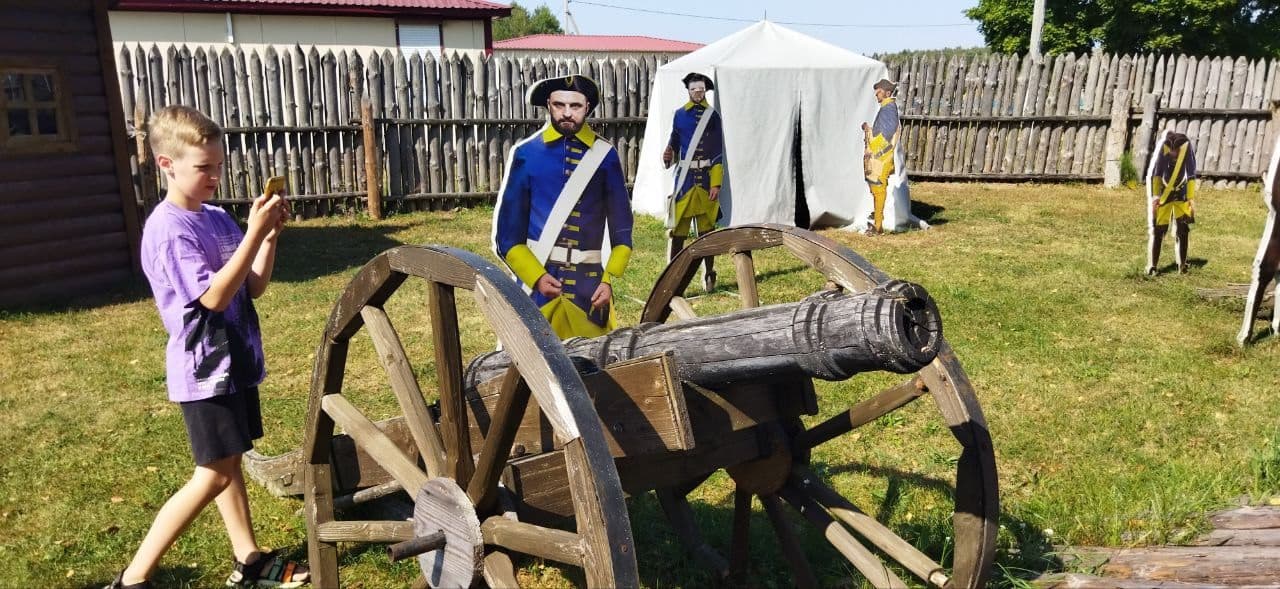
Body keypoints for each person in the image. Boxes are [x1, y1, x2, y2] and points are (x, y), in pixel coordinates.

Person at [108, 105, 308, 589]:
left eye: (218, 165)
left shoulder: (217, 219)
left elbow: (251, 285)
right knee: (213, 475)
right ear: (166, 165)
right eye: (203, 168)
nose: (215, 175)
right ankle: (133, 579)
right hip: (204, 371)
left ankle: (249, 558)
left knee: (228, 461)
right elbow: (214, 298)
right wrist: (254, 232)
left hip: (233, 363)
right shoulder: (168, 229)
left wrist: (269, 238)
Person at [492, 75, 634, 340]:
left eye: (576, 106)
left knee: (594, 370)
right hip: (539, 291)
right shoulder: (526, 154)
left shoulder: (605, 156)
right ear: (548, 104)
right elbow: (508, 238)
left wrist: (608, 279)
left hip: (589, 293)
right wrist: (535, 277)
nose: (567, 113)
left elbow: (622, 231)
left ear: (588, 107)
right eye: (559, 105)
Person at [663, 72, 724, 291]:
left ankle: (709, 274)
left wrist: (716, 183)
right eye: (693, 89)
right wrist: (669, 152)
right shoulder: (680, 115)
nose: (697, 93)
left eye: (700, 89)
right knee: (678, 231)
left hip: (705, 180)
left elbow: (718, 151)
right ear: (688, 91)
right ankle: (672, 278)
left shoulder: (712, 116)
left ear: (705, 90)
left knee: (706, 232)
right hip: (685, 180)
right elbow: (675, 139)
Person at [1145, 131, 1198, 276]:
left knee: (1183, 230)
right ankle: (1153, 266)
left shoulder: (1186, 149)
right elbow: (1157, 173)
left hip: (1181, 193)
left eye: (1177, 150)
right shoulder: (1164, 148)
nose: (1174, 153)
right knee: (1159, 230)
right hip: (1164, 195)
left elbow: (1191, 173)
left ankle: (1182, 265)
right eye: (1172, 150)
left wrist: (1190, 197)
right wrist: (1156, 196)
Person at [861, 78, 901, 234]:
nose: (876, 94)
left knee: (878, 188)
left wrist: (872, 145)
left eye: (879, 91)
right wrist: (869, 130)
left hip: (881, 157)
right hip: (878, 155)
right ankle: (877, 217)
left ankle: (878, 225)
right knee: (875, 187)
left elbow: (886, 134)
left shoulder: (889, 108)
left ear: (888, 92)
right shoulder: (886, 108)